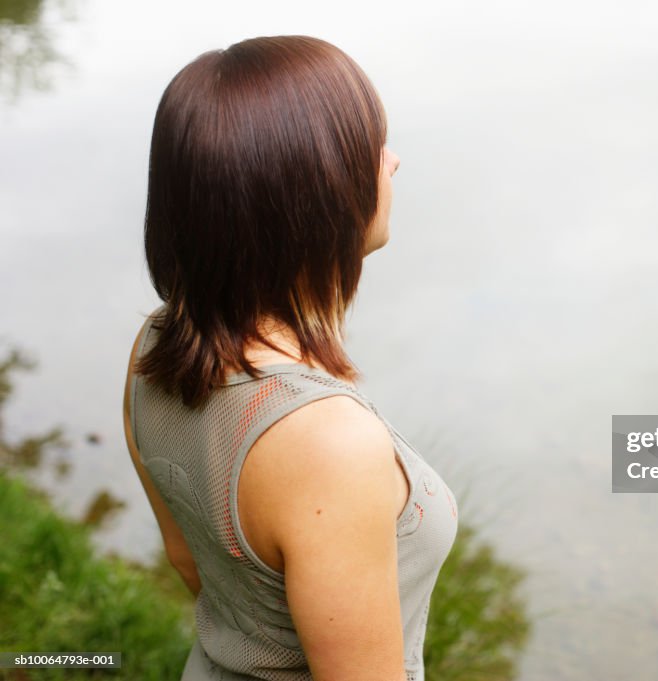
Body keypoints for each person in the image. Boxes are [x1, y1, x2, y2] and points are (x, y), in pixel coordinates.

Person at [121, 35, 459, 681]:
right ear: (319, 191)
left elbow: (192, 563)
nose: (391, 164)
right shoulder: (326, 439)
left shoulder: (155, 346)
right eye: (371, 149)